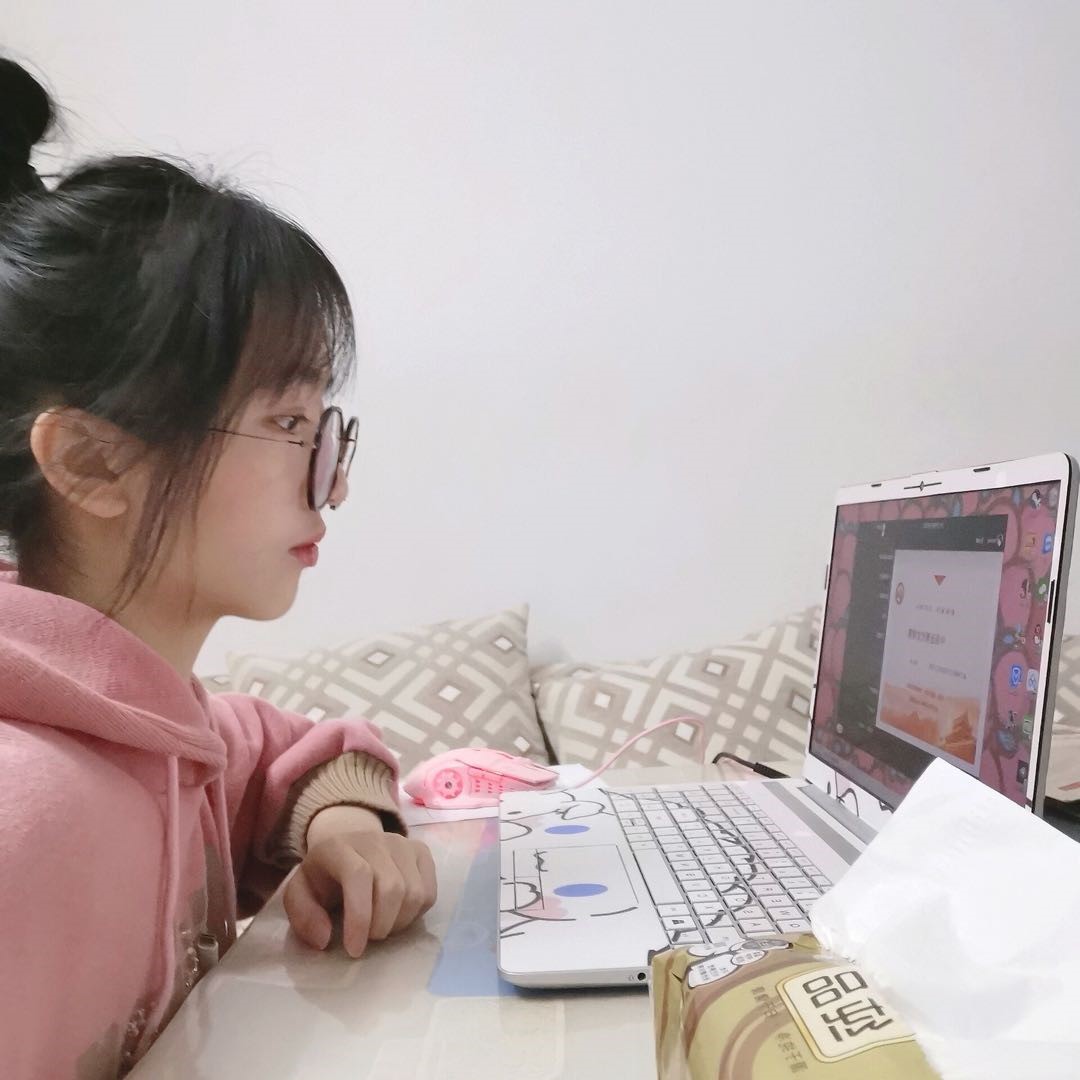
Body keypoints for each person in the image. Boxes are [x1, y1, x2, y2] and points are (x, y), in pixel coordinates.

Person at [0, 59, 436, 1079]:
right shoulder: (29, 816)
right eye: (287, 424)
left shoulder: (150, 723)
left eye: (326, 427)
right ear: (92, 462)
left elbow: (291, 749)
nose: (331, 482)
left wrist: (345, 822)